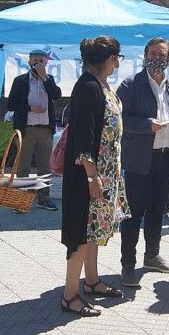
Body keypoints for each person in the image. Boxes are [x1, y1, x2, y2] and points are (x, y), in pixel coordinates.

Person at [60, 35, 130, 316]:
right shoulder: (88, 87)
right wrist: (93, 177)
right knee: (80, 232)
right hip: (88, 176)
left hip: (105, 172)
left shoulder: (101, 85)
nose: (117, 64)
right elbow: (84, 137)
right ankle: (69, 295)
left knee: (93, 231)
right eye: (117, 59)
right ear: (111, 59)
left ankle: (91, 281)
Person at [116, 38, 169, 288]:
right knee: (133, 213)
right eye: (153, 53)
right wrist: (147, 125)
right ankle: (128, 265)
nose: (157, 58)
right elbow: (121, 120)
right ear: (145, 55)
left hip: (167, 157)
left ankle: (152, 256)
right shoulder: (130, 85)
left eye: (162, 55)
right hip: (139, 159)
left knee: (158, 209)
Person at [7, 50, 61, 211]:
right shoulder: (21, 81)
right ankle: (21, 200)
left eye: (42, 61)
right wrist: (30, 108)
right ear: (29, 61)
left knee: (45, 167)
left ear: (46, 63)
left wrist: (44, 76)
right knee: (23, 167)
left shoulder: (48, 80)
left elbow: (57, 95)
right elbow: (11, 105)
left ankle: (43, 199)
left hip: (45, 129)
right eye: (35, 60)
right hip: (27, 129)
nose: (38, 63)